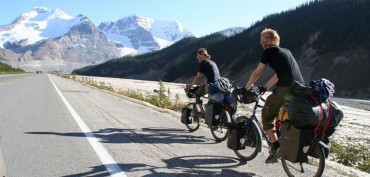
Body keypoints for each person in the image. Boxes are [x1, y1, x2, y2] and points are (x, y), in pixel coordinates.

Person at [244, 28, 304, 163]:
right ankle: (284, 138)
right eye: (261, 40)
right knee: (281, 114)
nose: (262, 43)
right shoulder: (286, 51)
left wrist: (245, 88)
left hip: (285, 88)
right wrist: (265, 87)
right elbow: (279, 74)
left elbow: (256, 73)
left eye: (265, 39)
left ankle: (276, 146)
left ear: (273, 40)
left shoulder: (269, 51)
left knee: (266, 115)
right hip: (300, 88)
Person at [186, 48, 221, 116]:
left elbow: (198, 77)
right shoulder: (212, 62)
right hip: (218, 84)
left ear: (201, 56)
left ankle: (202, 112)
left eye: (198, 56)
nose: (197, 58)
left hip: (211, 85)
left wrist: (191, 85)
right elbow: (212, 75)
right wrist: (206, 82)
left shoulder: (203, 63)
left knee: (197, 94)